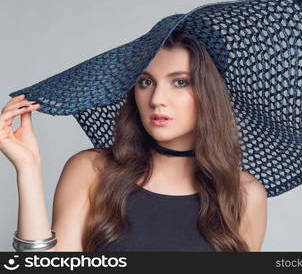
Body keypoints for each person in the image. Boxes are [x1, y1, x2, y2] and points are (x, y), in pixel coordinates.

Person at [0, 29, 268, 252]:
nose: (157, 99)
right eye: (145, 82)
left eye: (180, 82)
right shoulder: (92, 169)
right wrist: (28, 168)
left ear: (209, 94)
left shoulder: (244, 194)